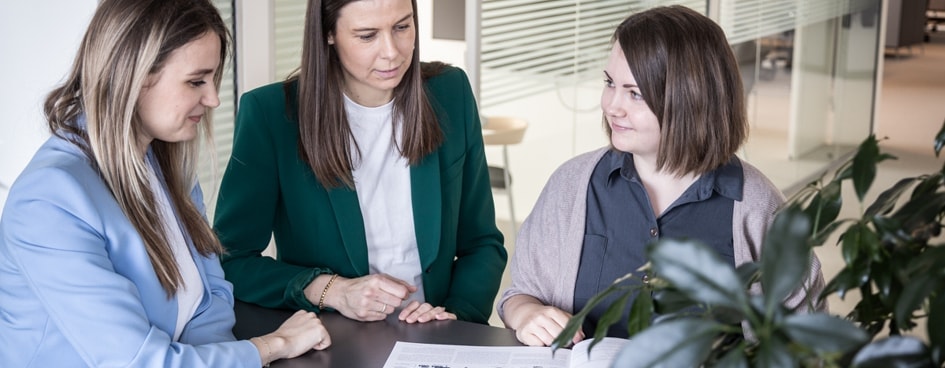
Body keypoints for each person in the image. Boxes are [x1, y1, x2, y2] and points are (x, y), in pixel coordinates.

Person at [0, 0, 330, 366]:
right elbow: (136, 360)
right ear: (134, 77)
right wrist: (273, 346)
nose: (213, 99)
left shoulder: (166, 165)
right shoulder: (49, 201)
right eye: (195, 81)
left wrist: (225, 357)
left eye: (213, 79)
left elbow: (209, 298)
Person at [496, 5, 827, 347]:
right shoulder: (573, 185)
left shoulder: (757, 207)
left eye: (635, 93)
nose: (612, 106)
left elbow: (806, 339)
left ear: (691, 99)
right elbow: (521, 295)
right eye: (610, 83)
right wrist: (525, 315)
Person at [213, 0, 507, 325]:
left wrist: (455, 316)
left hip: (434, 340)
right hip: (334, 341)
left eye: (402, 27)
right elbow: (232, 260)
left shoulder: (450, 92)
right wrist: (332, 290)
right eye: (367, 35)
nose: (392, 52)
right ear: (328, 33)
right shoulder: (271, 116)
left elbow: (482, 242)